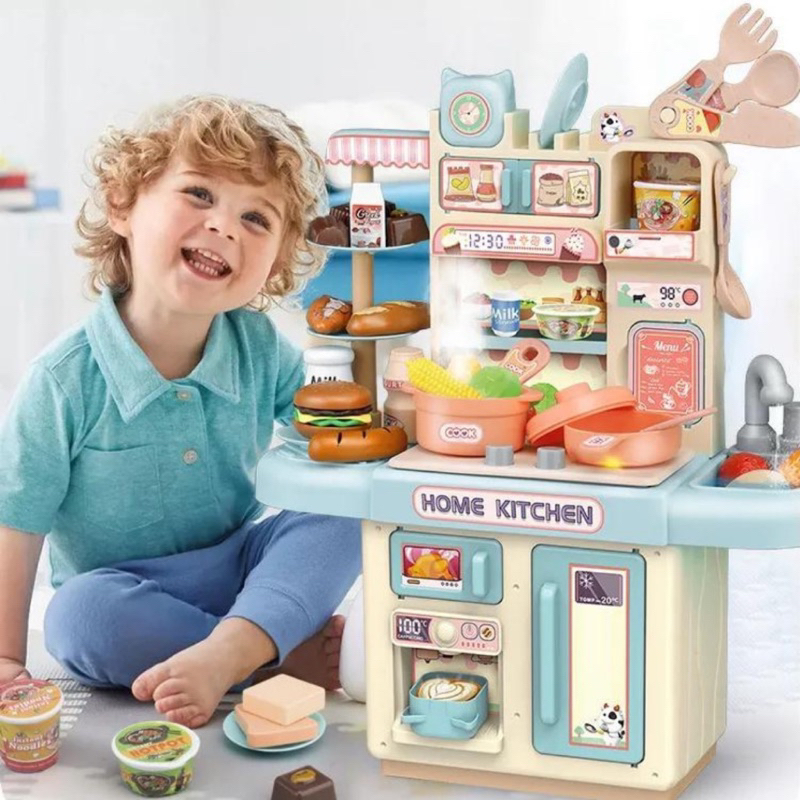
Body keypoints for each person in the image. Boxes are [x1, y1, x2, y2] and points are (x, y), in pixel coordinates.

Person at [0, 96, 362, 728]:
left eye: (255, 217)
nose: (224, 226)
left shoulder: (259, 347)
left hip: (242, 563)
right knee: (79, 618)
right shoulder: (63, 380)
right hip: (123, 592)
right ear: (122, 205)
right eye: (199, 194)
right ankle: (267, 653)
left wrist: (378, 419)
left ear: (275, 264)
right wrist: (6, 658)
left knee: (348, 505)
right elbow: (17, 524)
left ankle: (239, 646)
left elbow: (328, 433)